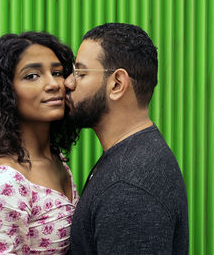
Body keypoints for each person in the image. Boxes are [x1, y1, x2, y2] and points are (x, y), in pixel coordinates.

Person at [64, 23, 189, 254]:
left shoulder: (129, 186)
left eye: (80, 73)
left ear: (117, 84)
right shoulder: (134, 157)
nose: (68, 83)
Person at [0, 32, 80, 254]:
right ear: (6, 92)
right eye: (32, 76)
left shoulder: (56, 159)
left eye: (57, 72)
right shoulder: (4, 179)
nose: (54, 84)